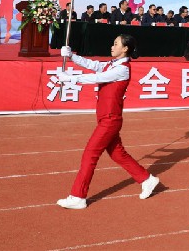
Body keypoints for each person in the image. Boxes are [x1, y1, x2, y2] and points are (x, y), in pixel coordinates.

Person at [55, 35, 160, 209]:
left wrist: (71, 79)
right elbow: (93, 65)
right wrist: (72, 56)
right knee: (117, 154)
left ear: (125, 49)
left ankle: (78, 196)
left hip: (110, 119)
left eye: (116, 44)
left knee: (90, 153)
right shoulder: (111, 64)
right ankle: (147, 179)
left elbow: (97, 77)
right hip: (105, 117)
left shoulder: (123, 69)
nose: (112, 46)